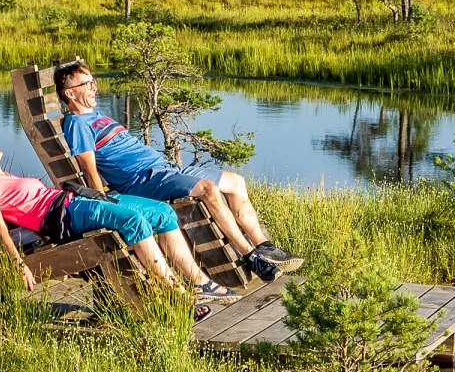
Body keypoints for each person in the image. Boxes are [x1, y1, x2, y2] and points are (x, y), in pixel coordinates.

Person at [0, 130, 240, 316]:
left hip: (76, 200)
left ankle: (198, 284)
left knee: (161, 212)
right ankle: (176, 294)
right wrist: (16, 261)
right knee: (134, 221)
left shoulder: (4, 177)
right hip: (65, 216)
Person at [54, 61, 302, 274]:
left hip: (165, 169)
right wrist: (104, 203)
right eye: (86, 84)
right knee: (208, 189)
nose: (94, 88)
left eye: (93, 82)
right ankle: (250, 256)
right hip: (145, 181)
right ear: (70, 93)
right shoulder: (77, 124)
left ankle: (264, 246)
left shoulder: (98, 117)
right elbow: (88, 167)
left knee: (236, 182)